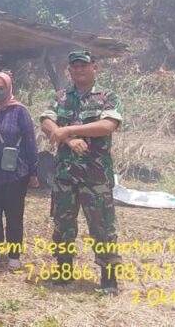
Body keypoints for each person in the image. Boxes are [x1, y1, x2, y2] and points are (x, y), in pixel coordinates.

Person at [39, 50, 123, 296]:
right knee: (63, 225)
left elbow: (108, 125)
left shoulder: (106, 96)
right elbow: (46, 121)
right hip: (65, 174)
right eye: (74, 66)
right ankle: (64, 272)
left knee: (102, 226)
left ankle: (108, 278)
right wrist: (68, 139)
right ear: (70, 70)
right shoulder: (61, 96)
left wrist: (68, 130)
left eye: (84, 66)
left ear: (94, 68)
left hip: (95, 176)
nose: (79, 70)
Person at [0, 72, 38, 271]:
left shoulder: (20, 111)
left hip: (16, 175)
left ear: (9, 89)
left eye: (1, 88)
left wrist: (34, 171)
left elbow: (30, 141)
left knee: (14, 215)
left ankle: (14, 254)